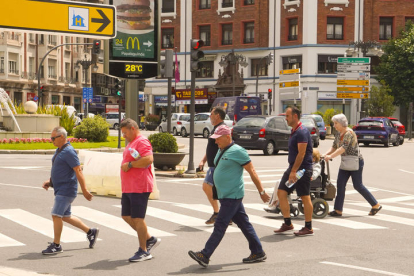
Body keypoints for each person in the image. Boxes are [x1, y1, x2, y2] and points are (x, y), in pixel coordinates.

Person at [189, 125, 270, 267]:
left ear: (227, 137)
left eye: (218, 139)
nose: (215, 142)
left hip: (232, 195)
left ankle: (205, 254)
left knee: (220, 225)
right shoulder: (222, 150)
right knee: (244, 224)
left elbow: (252, 172)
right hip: (226, 195)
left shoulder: (238, 151)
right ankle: (258, 251)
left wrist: (262, 192)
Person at [41, 127, 99, 255]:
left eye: (53, 138)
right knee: (66, 216)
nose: (51, 141)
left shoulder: (69, 151)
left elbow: (78, 170)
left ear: (62, 137)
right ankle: (91, 232)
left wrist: (84, 190)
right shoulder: (59, 150)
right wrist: (50, 182)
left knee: (56, 215)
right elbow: (58, 169)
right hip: (60, 188)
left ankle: (56, 245)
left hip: (66, 189)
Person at [323, 114, 381, 216]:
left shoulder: (349, 133)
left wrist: (330, 156)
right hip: (346, 162)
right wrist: (325, 154)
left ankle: (375, 204)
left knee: (358, 185)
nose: (334, 125)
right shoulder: (338, 133)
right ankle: (338, 210)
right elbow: (334, 146)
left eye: (336, 123)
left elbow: (342, 148)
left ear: (341, 123)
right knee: (340, 185)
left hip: (355, 161)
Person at [120, 118, 160, 262]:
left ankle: (144, 251)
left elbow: (149, 159)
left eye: (125, 133)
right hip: (129, 186)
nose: (123, 136)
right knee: (126, 216)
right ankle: (149, 239)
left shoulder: (141, 141)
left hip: (139, 186)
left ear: (132, 128)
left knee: (138, 218)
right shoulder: (132, 143)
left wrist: (130, 164)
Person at [274, 106, 314, 236]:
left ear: (295, 116)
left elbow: (301, 154)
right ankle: (288, 223)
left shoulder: (302, 131)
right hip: (293, 168)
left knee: (304, 196)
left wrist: (294, 171)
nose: (285, 118)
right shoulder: (295, 131)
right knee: (281, 192)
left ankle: (308, 227)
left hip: (302, 170)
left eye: (287, 116)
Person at [264, 148, 321, 212]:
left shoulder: (316, 165)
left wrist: (311, 176)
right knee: (279, 182)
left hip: (304, 181)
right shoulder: (305, 163)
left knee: (283, 187)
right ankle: (274, 203)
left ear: (315, 158)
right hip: (296, 179)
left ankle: (280, 204)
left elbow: (315, 173)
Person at [198, 107, 226, 224]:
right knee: (220, 191)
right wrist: (203, 161)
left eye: (211, 114)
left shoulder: (221, 129)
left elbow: (223, 147)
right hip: (213, 165)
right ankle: (225, 215)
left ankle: (218, 213)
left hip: (217, 165)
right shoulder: (216, 129)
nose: (210, 116)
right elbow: (211, 148)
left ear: (217, 116)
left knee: (207, 186)